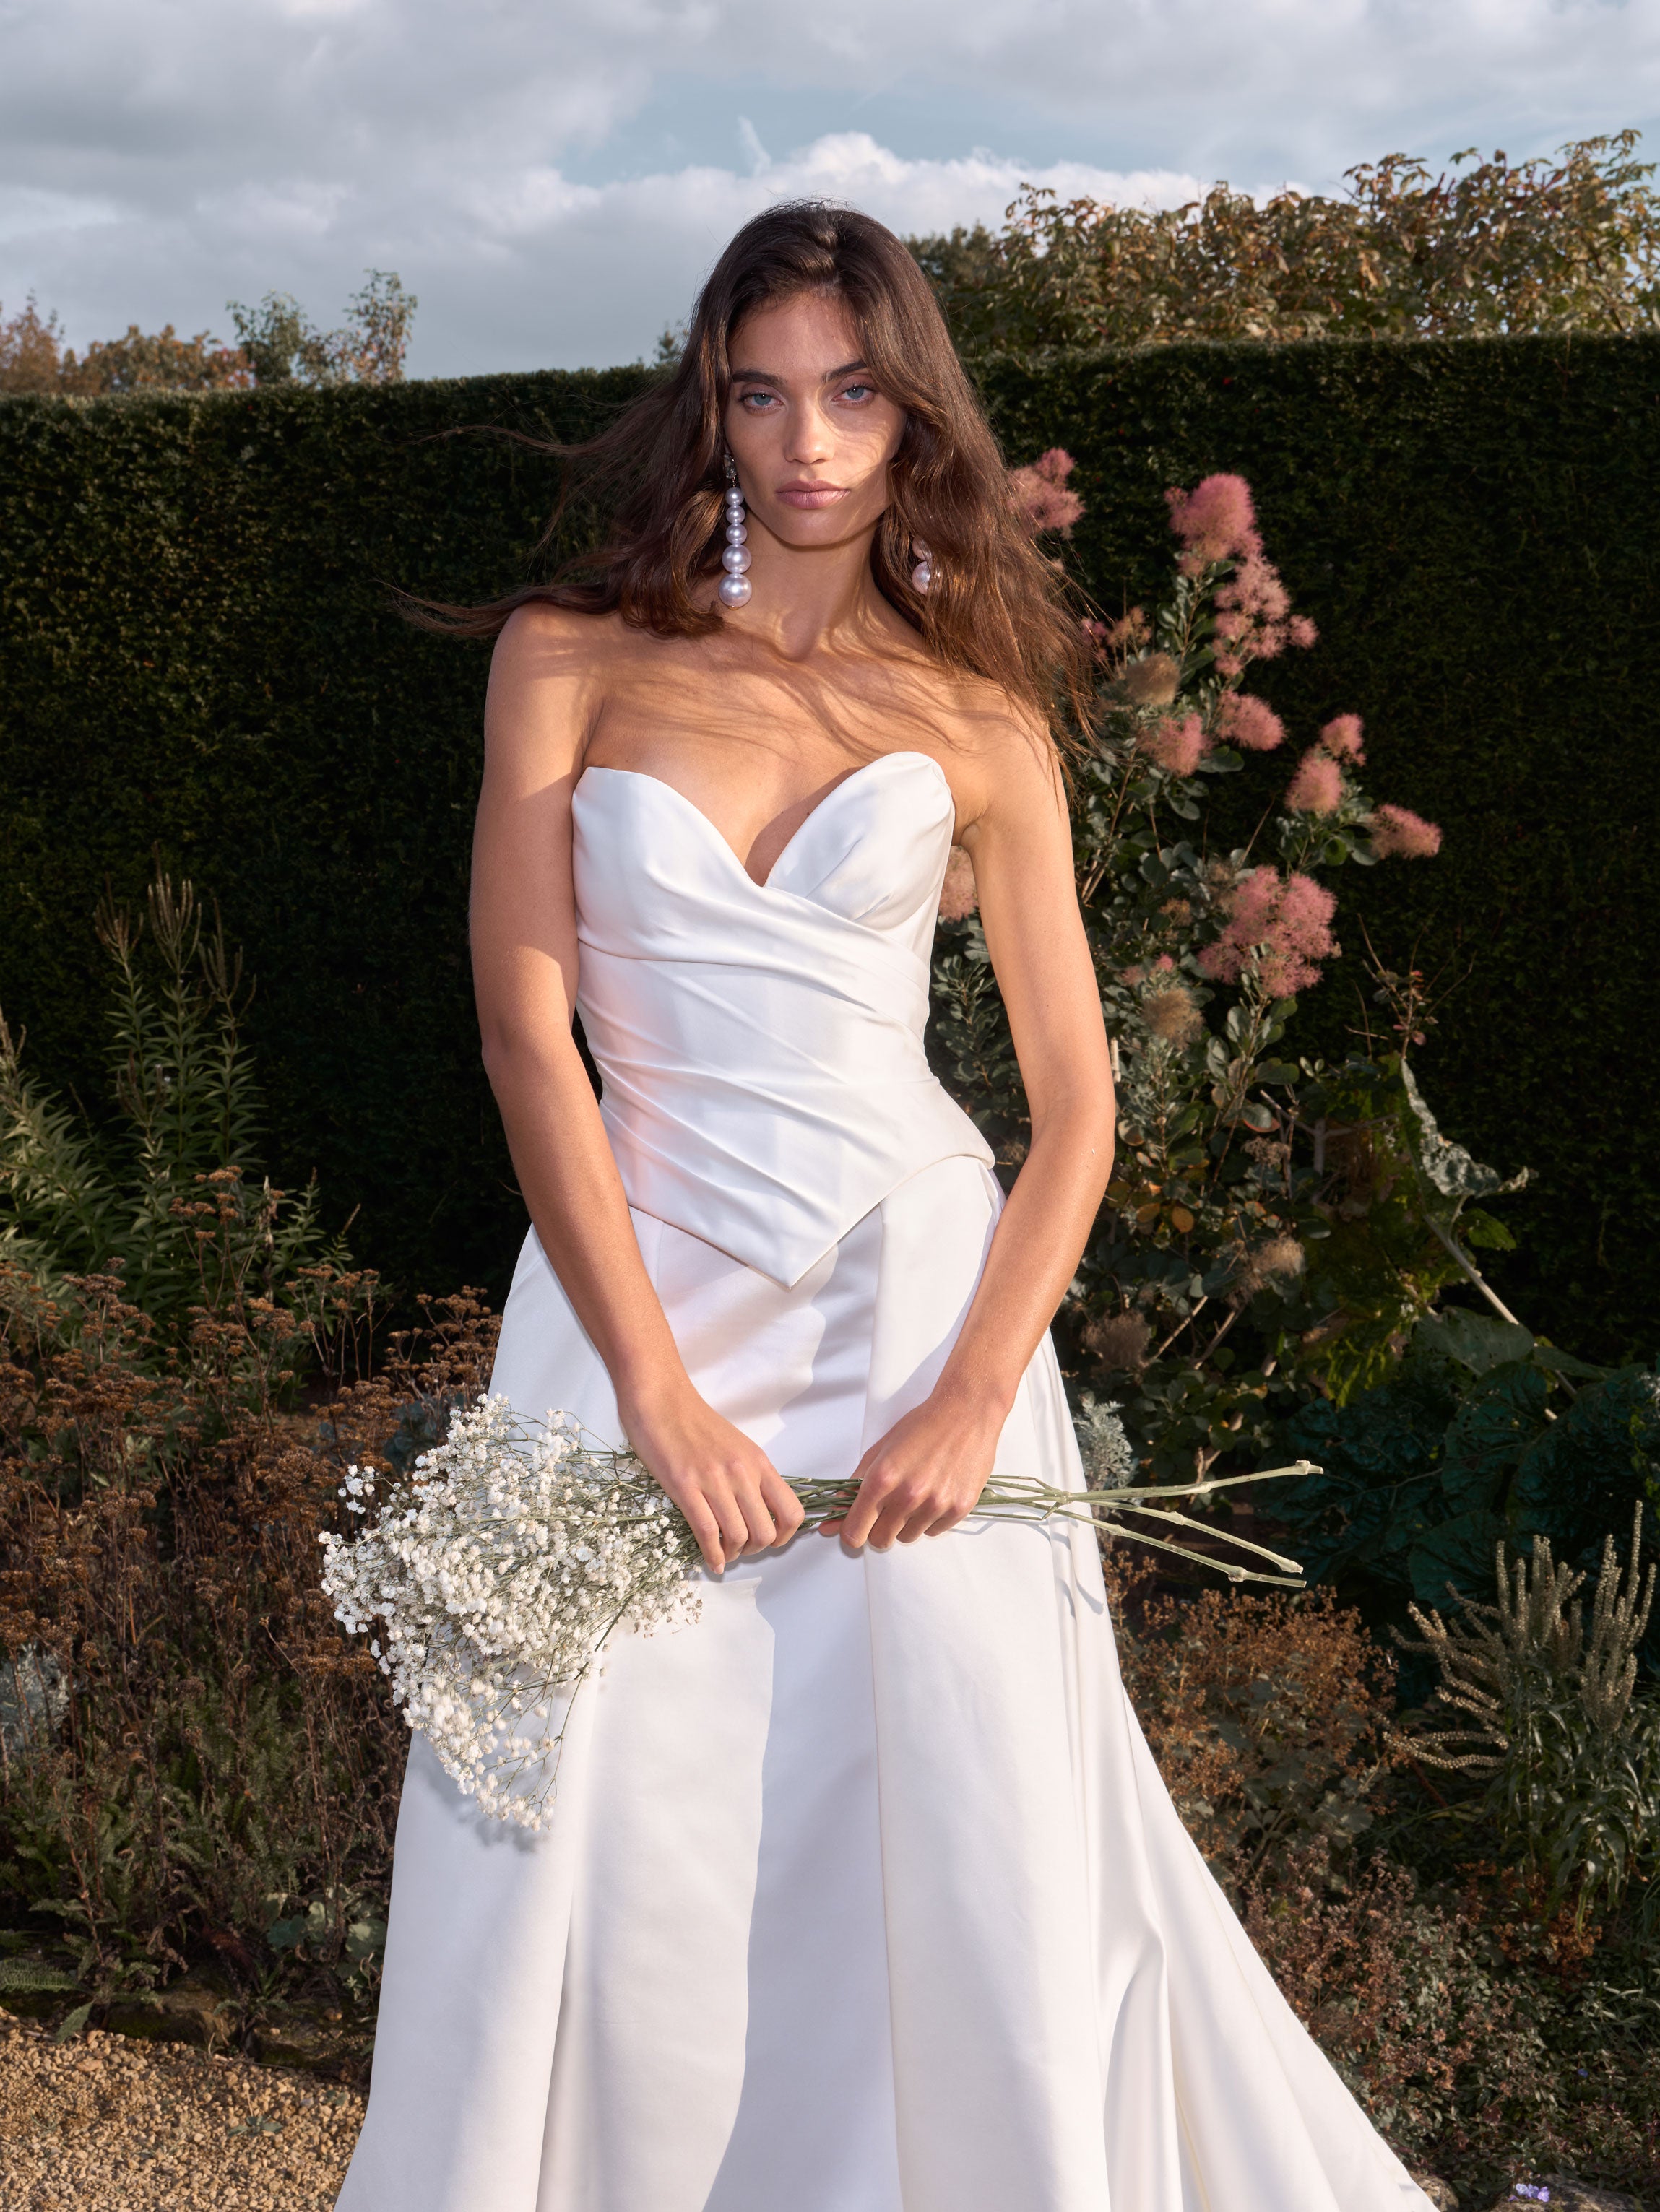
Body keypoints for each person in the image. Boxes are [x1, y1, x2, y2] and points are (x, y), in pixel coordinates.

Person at [337, 201, 1432, 2212]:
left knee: (958, 1831)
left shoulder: (982, 718)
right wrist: (656, 1399)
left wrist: (963, 1400)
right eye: (760, 393)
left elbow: (1076, 1112)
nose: (807, 438)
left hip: (916, 1317)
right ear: (712, 407)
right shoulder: (565, 659)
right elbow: (524, 1039)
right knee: (580, 1822)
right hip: (627, 1314)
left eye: (851, 390)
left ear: (911, 408)